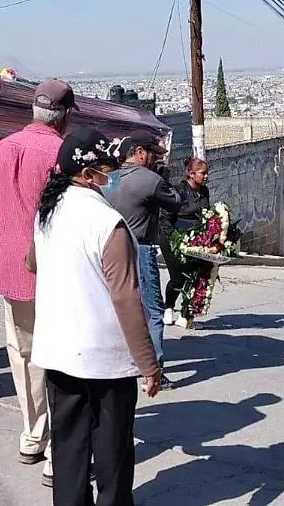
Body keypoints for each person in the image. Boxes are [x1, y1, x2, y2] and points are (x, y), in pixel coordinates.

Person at [28, 128, 160, 506]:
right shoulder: (107, 223)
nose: (114, 175)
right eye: (108, 168)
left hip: (59, 350)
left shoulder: (48, 212)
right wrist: (148, 363)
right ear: (88, 175)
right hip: (105, 359)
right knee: (112, 452)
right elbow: (126, 298)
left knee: (68, 449)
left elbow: (31, 262)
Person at [0, 78, 75, 483]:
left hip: (10, 267)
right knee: (60, 356)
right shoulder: (62, 152)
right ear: (67, 115)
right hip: (53, 270)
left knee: (22, 352)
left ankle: (32, 433)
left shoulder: (3, 148)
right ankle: (61, 447)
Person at [102, 129, 179, 391]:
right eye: (152, 154)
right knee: (152, 311)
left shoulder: (108, 179)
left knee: (117, 307)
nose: (156, 159)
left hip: (109, 248)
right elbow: (176, 202)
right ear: (139, 152)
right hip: (141, 248)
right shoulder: (149, 180)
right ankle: (155, 367)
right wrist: (162, 179)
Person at [160, 157, 211, 329]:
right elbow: (166, 219)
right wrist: (175, 239)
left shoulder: (204, 192)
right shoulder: (178, 191)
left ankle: (186, 315)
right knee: (177, 278)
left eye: (206, 173)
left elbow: (206, 214)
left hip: (194, 240)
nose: (206, 177)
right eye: (203, 173)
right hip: (172, 238)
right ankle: (168, 308)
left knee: (194, 276)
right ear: (191, 173)